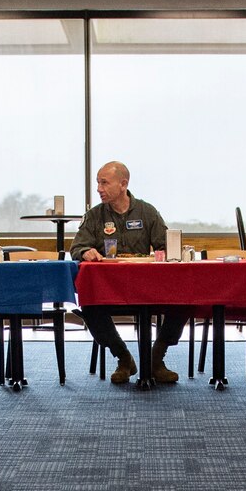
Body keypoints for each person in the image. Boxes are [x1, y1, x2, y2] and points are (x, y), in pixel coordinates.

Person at [71, 161, 183, 385]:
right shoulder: (94, 216)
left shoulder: (147, 212)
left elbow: (169, 248)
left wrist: (163, 254)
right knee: (89, 306)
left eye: (104, 183)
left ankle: (156, 358)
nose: (99, 189)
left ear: (123, 184)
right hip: (110, 290)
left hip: (147, 288)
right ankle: (123, 358)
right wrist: (86, 252)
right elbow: (76, 248)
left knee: (184, 301)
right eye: (98, 183)